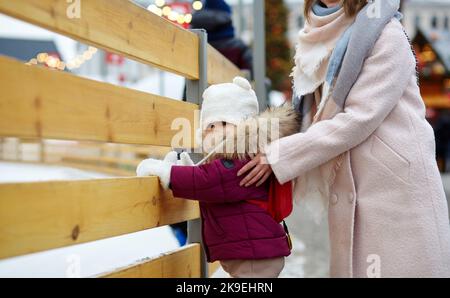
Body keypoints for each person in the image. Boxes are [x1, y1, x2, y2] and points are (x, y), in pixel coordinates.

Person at [238, 0, 450, 277]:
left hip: (395, 192)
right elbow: (308, 117)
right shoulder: (313, 37)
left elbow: (359, 117)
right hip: (349, 185)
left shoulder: (387, 34)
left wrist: (283, 155)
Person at [137, 77, 299, 278]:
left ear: (245, 125)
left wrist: (166, 172)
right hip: (252, 252)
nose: (215, 131)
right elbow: (212, 178)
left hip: (254, 257)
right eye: (210, 126)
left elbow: (208, 180)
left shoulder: (243, 157)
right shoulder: (236, 158)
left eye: (224, 123)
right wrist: (182, 168)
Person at [191, 0, 253, 77]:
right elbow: (252, 74)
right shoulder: (239, 48)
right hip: (232, 87)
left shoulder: (194, 45)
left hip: (201, 87)